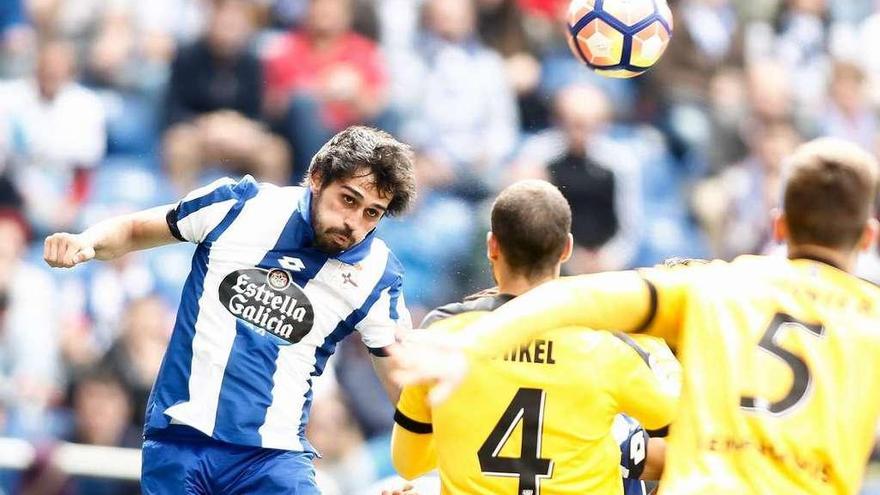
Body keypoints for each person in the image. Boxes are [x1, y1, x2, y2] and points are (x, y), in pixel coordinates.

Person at [391, 137, 880, 494]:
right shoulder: (871, 318)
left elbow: (575, 299)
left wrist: (473, 346)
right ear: (868, 237)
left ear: (778, 225)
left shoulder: (712, 285)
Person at [44, 126, 416, 494]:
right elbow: (134, 230)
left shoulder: (378, 275)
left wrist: (423, 462)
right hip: (180, 443)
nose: (354, 223)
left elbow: (405, 386)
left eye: (372, 213)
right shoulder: (240, 205)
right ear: (317, 178)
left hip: (273, 459)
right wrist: (85, 241)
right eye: (348, 200)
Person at [391, 180, 678, 494]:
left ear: (492, 245)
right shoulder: (606, 344)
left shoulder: (443, 334)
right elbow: (693, 441)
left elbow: (408, 463)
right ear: (567, 248)